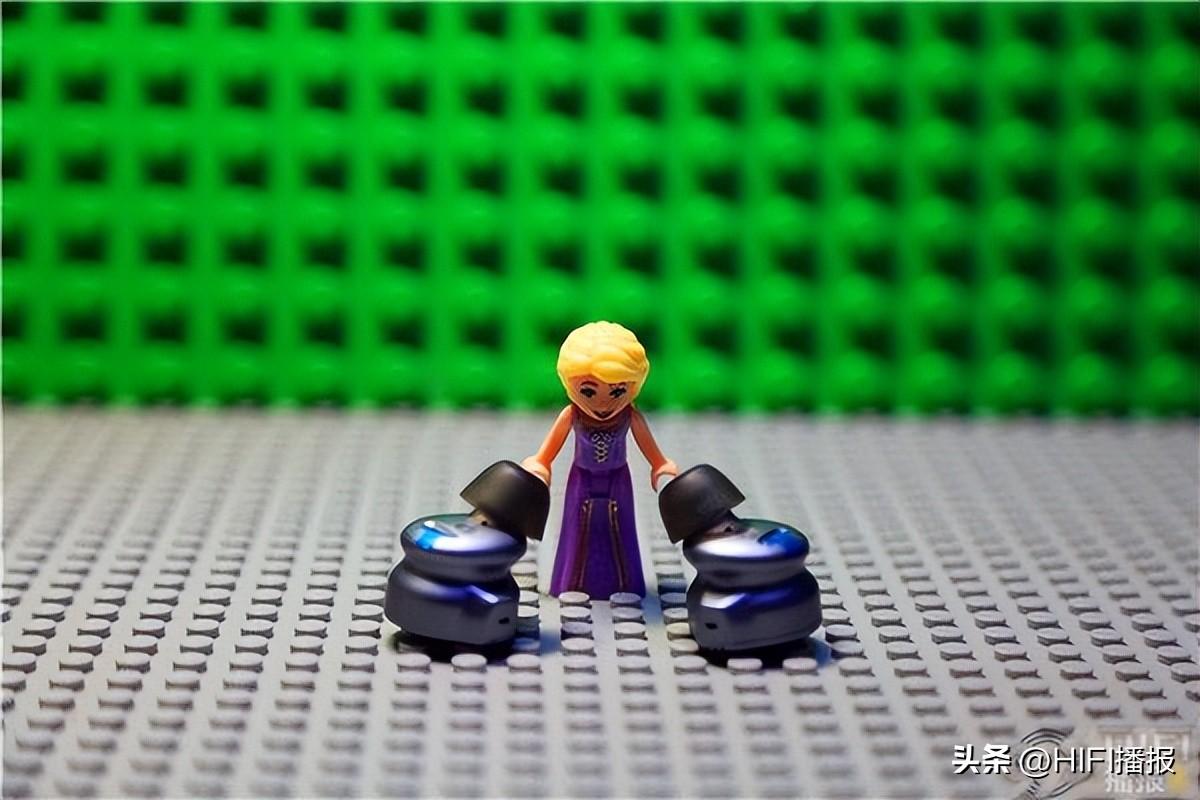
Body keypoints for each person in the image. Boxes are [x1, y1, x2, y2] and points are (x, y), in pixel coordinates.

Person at [521, 321, 678, 598]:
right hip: (581, 478)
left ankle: (626, 584)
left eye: (617, 391)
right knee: (576, 529)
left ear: (634, 386)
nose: (603, 403)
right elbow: (546, 453)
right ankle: (569, 583)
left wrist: (660, 465)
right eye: (588, 391)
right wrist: (540, 464)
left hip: (618, 478)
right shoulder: (572, 415)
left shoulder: (629, 416)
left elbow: (652, 451)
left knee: (622, 529)